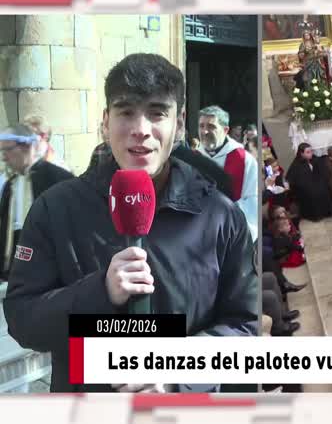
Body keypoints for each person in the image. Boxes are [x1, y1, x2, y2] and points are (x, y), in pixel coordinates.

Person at [3, 53, 259, 393]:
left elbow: (245, 324)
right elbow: (23, 320)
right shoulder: (56, 209)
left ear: (179, 123)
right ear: (106, 121)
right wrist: (100, 291)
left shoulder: (220, 215)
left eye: (157, 113)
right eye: (126, 112)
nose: (140, 130)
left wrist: (176, 374)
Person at [0, 125, 73, 281]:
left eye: (8, 150)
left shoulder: (58, 177)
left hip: (48, 261)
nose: (4, 158)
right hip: (17, 261)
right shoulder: (10, 185)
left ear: (26, 146)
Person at [197, 105, 260, 241]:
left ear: (225, 130)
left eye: (211, 126)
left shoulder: (244, 160)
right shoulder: (192, 158)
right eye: (201, 126)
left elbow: (252, 201)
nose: (205, 131)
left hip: (231, 234)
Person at [285, 143, 332, 222]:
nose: (311, 153)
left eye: (311, 151)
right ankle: (316, 215)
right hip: (305, 189)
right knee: (312, 193)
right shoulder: (296, 164)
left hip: (317, 183)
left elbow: (324, 172)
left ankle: (326, 212)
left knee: (324, 189)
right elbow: (294, 180)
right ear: (301, 153)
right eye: (308, 152)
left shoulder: (315, 159)